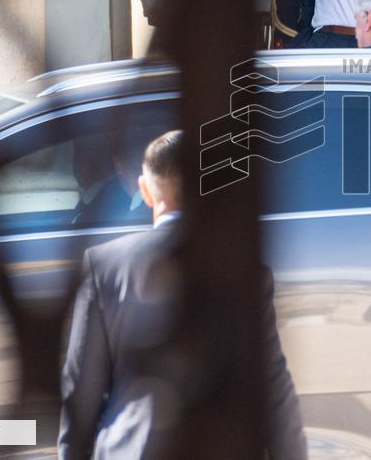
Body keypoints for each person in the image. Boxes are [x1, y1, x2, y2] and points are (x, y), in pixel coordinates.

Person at [59, 130, 306, 460]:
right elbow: (274, 389)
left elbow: (80, 391)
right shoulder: (245, 271)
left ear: (145, 191)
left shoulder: (104, 265)